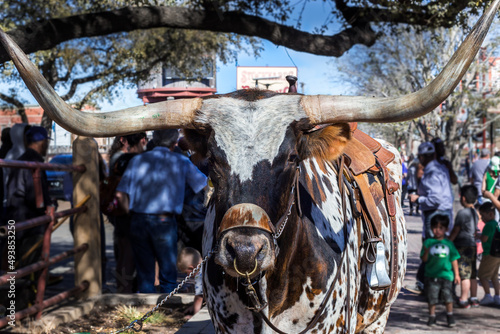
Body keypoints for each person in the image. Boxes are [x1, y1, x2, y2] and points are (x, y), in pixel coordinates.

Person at [116, 129, 207, 293]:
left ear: (154, 140)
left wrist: (130, 213)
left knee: (145, 272)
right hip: (164, 220)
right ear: (174, 143)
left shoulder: (137, 161)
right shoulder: (181, 161)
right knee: (167, 272)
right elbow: (203, 184)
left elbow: (120, 193)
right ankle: (167, 308)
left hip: (138, 218)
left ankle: (146, 311)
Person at [421, 214, 460, 327]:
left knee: (448, 297)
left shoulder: (449, 244)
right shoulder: (428, 242)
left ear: (446, 229)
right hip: (431, 275)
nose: (437, 230)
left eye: (440, 228)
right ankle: (432, 316)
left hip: (446, 275)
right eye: (435, 227)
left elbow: (454, 259)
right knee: (431, 297)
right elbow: (424, 259)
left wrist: (456, 274)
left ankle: (450, 315)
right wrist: (427, 251)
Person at [409, 142, 454, 238]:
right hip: (442, 212)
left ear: (421, 157)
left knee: (432, 249)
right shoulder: (440, 168)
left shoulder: (432, 173)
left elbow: (436, 199)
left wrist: (417, 199)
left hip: (436, 215)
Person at [448, 185, 480, 308]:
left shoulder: (462, 213)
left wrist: (449, 241)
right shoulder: (475, 212)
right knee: (472, 274)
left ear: (464, 198)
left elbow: (456, 230)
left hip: (462, 246)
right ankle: (474, 297)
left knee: (464, 274)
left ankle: (464, 299)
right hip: (472, 245)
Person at [476, 202, 500, 306]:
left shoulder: (488, 225)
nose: (482, 218)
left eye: (482, 215)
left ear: (490, 214)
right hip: (497, 254)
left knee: (482, 275)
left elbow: (485, 239)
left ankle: (487, 295)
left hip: (489, 254)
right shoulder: (495, 223)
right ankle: (497, 296)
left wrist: (478, 236)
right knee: (494, 276)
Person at [177, 247, 203, 319]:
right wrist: (193, 306)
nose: (187, 276)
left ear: (191, 268)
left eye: (186, 273)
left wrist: (195, 316)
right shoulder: (207, 265)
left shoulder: (199, 276)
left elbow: (199, 298)